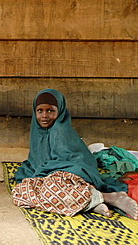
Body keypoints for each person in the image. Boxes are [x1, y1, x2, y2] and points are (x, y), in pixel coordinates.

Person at [12, 89, 138, 220]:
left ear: (59, 111)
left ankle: (109, 197)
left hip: (73, 174)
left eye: (50, 111)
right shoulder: (37, 132)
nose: (44, 115)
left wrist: (43, 176)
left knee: (50, 188)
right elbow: (37, 160)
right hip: (51, 175)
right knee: (21, 192)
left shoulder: (59, 130)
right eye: (40, 111)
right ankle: (92, 203)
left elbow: (67, 162)